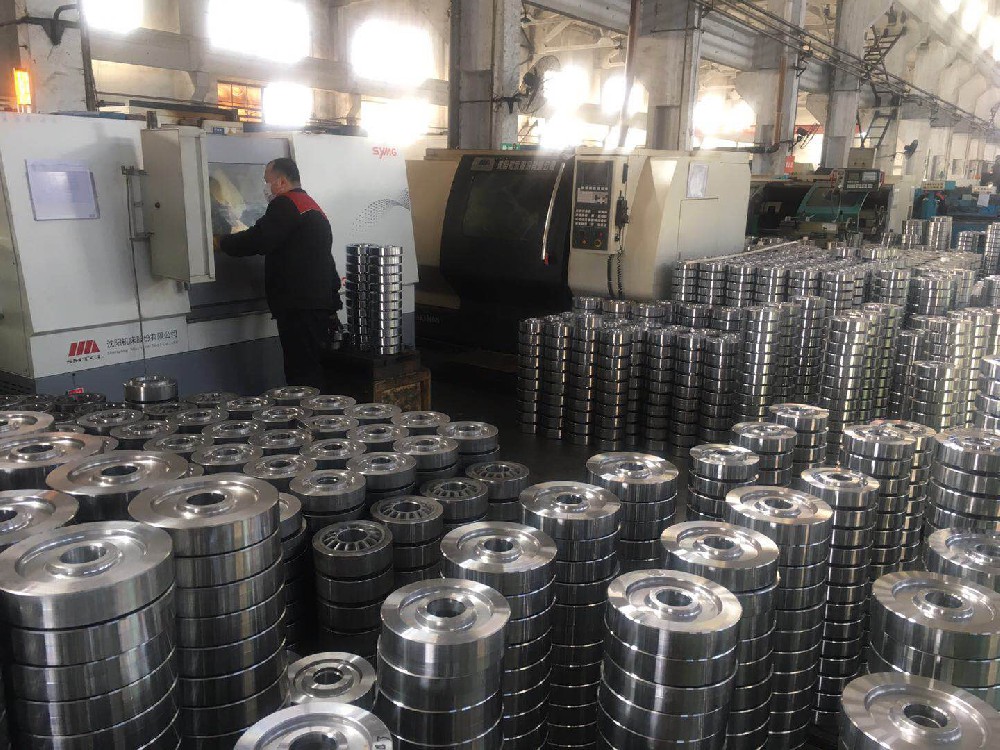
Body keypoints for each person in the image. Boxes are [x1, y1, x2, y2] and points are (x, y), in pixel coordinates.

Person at [217, 158, 339, 390]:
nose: (265, 187)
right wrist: (333, 301)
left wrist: (223, 242)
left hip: (299, 307)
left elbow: (259, 238)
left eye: (267, 181)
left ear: (281, 182)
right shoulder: (311, 206)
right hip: (317, 304)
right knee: (312, 369)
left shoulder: (286, 204)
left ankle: (305, 411)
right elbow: (325, 259)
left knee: (301, 374)